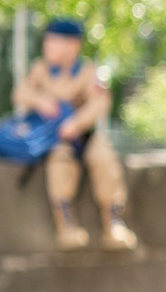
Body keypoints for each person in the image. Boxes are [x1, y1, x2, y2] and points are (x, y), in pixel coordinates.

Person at [11, 18, 135, 248]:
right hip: (55, 139)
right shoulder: (40, 70)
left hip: (84, 135)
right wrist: (40, 101)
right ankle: (66, 223)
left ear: (73, 46)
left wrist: (77, 123)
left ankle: (113, 220)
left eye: (54, 43)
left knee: (105, 160)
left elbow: (100, 102)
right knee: (60, 163)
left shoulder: (88, 72)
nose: (48, 48)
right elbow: (20, 93)